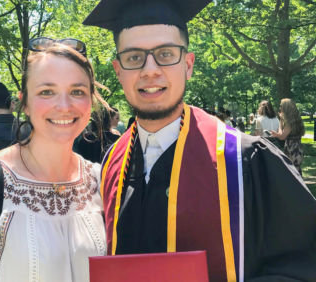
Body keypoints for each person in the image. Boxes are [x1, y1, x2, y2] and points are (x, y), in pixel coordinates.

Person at [83, 0, 316, 281]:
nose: (150, 70)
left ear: (189, 64)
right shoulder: (111, 164)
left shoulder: (245, 161)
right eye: (134, 57)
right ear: (118, 71)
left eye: (166, 54)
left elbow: (303, 264)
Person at [0, 42, 107, 281]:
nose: (64, 106)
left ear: (91, 100)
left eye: (77, 91)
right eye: (47, 91)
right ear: (23, 102)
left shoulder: (102, 181)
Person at [271, 98, 305, 175]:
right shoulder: (295, 120)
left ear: (286, 108)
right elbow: (281, 134)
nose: (280, 108)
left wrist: (275, 134)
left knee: (293, 172)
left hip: (292, 149)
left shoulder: (290, 122)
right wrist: (281, 121)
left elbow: (282, 136)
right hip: (297, 147)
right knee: (296, 170)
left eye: (281, 106)